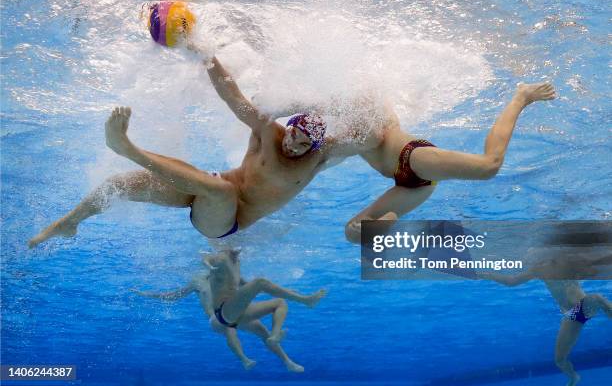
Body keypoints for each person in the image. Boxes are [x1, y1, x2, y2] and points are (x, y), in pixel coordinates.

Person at [28, 47, 370, 247]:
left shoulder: (319, 157)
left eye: (305, 144)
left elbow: (365, 137)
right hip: (209, 188)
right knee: (122, 184)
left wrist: (360, 106)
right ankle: (69, 222)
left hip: (225, 220)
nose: (295, 146)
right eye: (295, 136)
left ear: (316, 146)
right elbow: (231, 94)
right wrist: (205, 54)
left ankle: (127, 147)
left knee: (220, 190)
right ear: (290, 126)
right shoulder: (269, 131)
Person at [344, 82, 557, 243]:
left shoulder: (363, 98)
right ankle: (387, 223)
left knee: (489, 165)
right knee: (352, 232)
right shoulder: (332, 128)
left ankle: (521, 96)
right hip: (409, 186)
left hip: (412, 157)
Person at [134, 248, 326, 372]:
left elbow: (249, 289)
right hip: (218, 318)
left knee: (270, 319)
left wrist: (286, 291)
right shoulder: (198, 280)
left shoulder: (230, 273)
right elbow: (174, 294)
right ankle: (244, 359)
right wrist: (147, 295)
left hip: (235, 312)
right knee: (231, 328)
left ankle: (287, 360)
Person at [480, 250, 612, 386]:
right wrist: (489, 275)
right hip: (572, 315)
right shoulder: (538, 269)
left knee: (597, 298)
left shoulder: (569, 260)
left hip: (585, 305)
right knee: (559, 360)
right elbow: (512, 281)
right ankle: (573, 378)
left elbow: (596, 261)